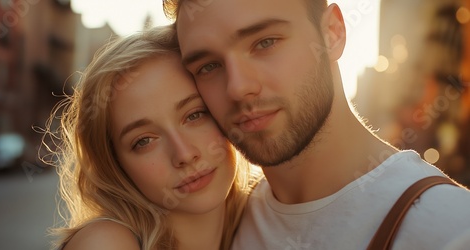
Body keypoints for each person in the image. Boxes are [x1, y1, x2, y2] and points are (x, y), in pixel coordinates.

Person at [163, 0, 470, 249]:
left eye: (265, 42)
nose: (237, 87)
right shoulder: (220, 218)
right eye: (208, 66)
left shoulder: (450, 228)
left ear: (332, 33)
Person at [42, 25, 258, 250]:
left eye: (194, 115)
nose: (184, 154)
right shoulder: (106, 243)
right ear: (115, 165)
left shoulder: (272, 222)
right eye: (144, 141)